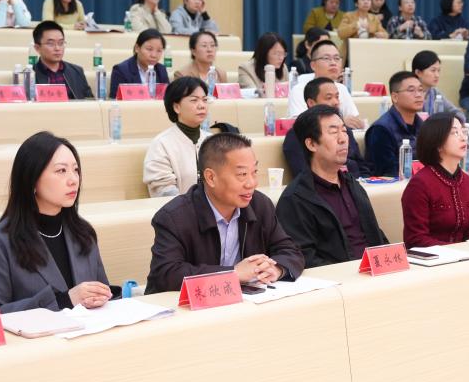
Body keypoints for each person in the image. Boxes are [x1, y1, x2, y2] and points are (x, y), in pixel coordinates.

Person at [0, 132, 114, 314]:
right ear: (32, 179)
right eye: (61, 171)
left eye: (76, 170)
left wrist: (103, 296)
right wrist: (64, 301)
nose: (73, 180)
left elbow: (102, 295)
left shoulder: (83, 233)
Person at [145, 132, 305, 293]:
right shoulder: (174, 217)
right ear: (211, 177)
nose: (252, 183)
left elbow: (290, 251)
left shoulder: (260, 205)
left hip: (244, 300)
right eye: (242, 174)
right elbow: (166, 275)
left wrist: (276, 268)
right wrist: (233, 273)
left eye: (254, 172)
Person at [276, 105, 387, 267]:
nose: (343, 139)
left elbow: (376, 235)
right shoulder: (295, 198)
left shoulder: (352, 185)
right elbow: (304, 258)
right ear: (311, 144)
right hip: (338, 278)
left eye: (344, 130)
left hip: (375, 272)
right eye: (334, 132)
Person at [401, 112, 469, 247]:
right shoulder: (420, 184)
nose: (463, 138)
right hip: (433, 258)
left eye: (463, 132)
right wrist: (457, 252)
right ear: (437, 143)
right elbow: (416, 239)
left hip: (465, 256)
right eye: (455, 133)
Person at [282, 77, 371, 178]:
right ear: (311, 103)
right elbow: (304, 175)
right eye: (329, 98)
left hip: (355, 184)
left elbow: (362, 167)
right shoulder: (297, 134)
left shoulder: (344, 129)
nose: (336, 102)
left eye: (337, 97)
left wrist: (364, 184)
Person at [143, 76, 211, 197]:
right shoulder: (161, 144)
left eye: (205, 100)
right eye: (194, 100)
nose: (202, 105)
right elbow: (163, 191)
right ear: (176, 107)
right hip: (179, 208)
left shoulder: (212, 141)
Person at [286, 40, 362, 126]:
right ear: (313, 65)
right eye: (326, 58)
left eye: (337, 58)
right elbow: (300, 125)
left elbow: (354, 119)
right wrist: (341, 122)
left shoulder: (342, 88)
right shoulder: (299, 90)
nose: (333, 63)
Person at [365, 71, 425, 176]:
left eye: (420, 90)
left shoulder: (423, 126)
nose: (418, 95)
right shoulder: (381, 129)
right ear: (395, 97)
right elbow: (387, 171)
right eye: (411, 90)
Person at [32, 21, 92, 99]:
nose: (57, 48)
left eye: (61, 43)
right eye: (51, 44)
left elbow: (89, 100)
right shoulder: (30, 75)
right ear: (37, 48)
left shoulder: (77, 72)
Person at [109, 29, 169, 99]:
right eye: (149, 49)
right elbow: (114, 100)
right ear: (137, 48)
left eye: (159, 51)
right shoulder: (121, 70)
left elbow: (168, 98)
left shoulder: (161, 70)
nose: (154, 55)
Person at [411, 50, 464, 120]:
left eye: (438, 71)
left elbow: (457, 113)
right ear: (418, 72)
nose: (437, 75)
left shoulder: (435, 92)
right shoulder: (409, 93)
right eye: (433, 70)